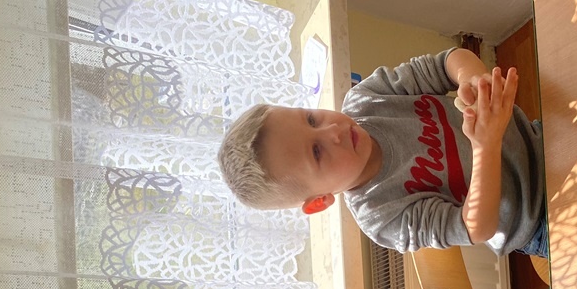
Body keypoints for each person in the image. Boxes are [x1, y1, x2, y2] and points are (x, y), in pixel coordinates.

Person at [217, 48, 548, 257]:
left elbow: (447, 61)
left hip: (540, 138)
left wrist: (473, 82)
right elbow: (477, 228)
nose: (332, 132)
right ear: (319, 201)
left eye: (311, 118)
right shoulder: (381, 215)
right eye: (317, 152)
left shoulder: (368, 99)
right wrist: (486, 145)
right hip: (537, 221)